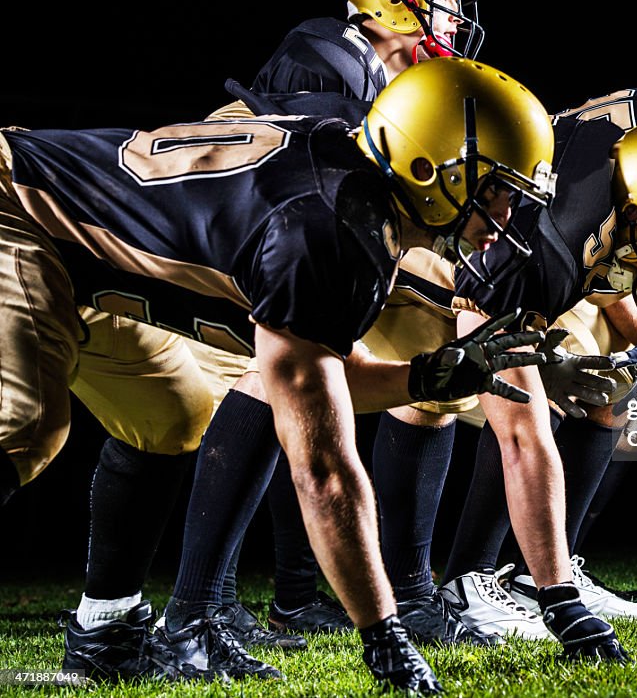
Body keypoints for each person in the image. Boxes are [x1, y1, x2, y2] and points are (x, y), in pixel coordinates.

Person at [0, 56, 558, 694]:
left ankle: (106, 633)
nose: (506, 217)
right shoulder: (330, 228)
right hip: (18, 210)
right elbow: (322, 469)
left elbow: (316, 374)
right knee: (24, 425)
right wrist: (384, 636)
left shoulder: (355, 180)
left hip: (89, 265)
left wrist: (425, 379)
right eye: (497, 191)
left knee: (171, 415)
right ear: (430, 168)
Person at [169, 0, 493, 648]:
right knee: (270, 382)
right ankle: (209, 601)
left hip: (281, 236)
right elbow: (332, 197)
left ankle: (344, 592)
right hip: (226, 230)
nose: (455, 15)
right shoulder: (323, 57)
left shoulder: (393, 74)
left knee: (368, 368)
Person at [438, 116, 637, 644]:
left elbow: (604, 280)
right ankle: (460, 582)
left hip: (492, 283)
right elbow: (498, 292)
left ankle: (525, 575)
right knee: (519, 407)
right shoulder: (564, 231)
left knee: (603, 390)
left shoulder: (611, 213)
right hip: (453, 284)